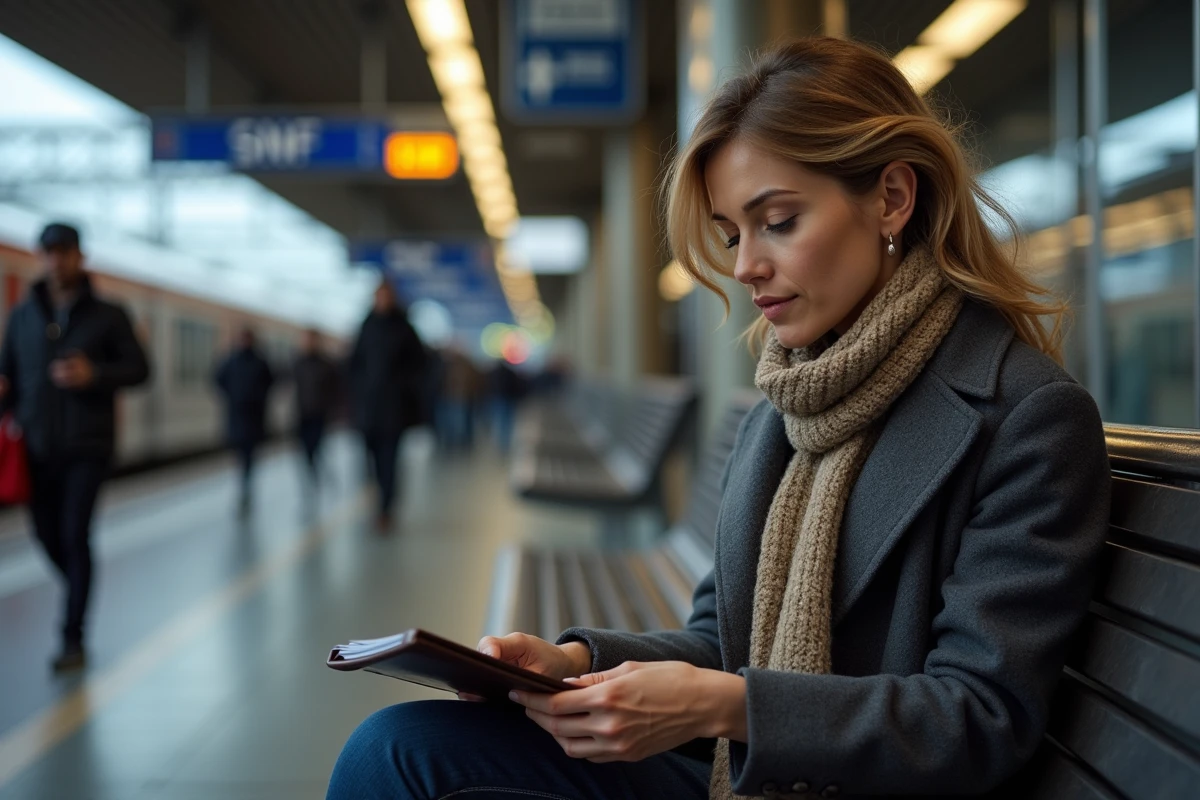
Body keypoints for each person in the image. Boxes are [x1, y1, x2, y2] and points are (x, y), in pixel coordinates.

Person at [326, 37, 1111, 800]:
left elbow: (979, 718)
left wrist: (724, 706)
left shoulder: (1026, 419)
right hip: (748, 764)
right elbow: (719, 641)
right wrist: (572, 661)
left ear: (892, 198)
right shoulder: (792, 402)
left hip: (848, 777)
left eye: (779, 221)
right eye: (734, 233)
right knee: (399, 749)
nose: (744, 267)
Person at [0, 222, 150, 672]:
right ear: (40, 257)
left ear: (79, 257)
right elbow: (9, 375)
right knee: (46, 535)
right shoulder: (23, 316)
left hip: (88, 444)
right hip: (37, 445)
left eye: (64, 252)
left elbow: (140, 370)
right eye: (49, 252)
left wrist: (95, 376)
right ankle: (80, 591)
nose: (56, 260)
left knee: (74, 534)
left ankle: (72, 637)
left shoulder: (109, 313)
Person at [347, 281, 427, 532]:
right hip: (369, 407)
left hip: (395, 408)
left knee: (390, 460)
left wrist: (405, 387)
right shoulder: (365, 327)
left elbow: (422, 365)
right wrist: (359, 390)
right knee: (369, 459)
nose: (382, 300)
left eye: (386, 296)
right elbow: (353, 363)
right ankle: (376, 500)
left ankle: (386, 509)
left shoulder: (405, 329)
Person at [214, 327, 274, 515]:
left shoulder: (257, 362)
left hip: (252, 418)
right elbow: (217, 379)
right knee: (241, 457)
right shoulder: (233, 361)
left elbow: (270, 383)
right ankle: (244, 489)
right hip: (239, 417)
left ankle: (246, 490)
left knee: (248, 458)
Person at [291, 328, 341, 490]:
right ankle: (312, 479)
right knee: (306, 452)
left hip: (319, 414)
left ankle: (318, 476)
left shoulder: (326, 365)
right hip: (302, 415)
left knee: (317, 448)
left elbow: (335, 389)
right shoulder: (298, 363)